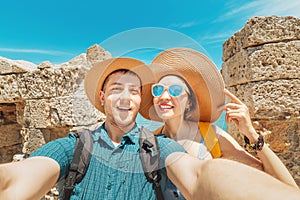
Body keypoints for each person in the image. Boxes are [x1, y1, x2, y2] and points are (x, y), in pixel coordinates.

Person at [0, 57, 186, 199]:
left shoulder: (159, 148)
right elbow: (18, 177)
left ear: (139, 100)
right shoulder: (75, 148)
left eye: (134, 91)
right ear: (102, 97)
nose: (125, 97)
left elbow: (197, 174)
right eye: (116, 89)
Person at [139, 47, 299, 199]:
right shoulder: (151, 142)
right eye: (158, 90)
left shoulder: (210, 135)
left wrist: (251, 133)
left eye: (174, 90)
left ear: (189, 102)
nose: (164, 96)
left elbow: (285, 185)